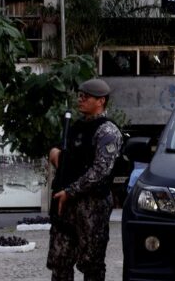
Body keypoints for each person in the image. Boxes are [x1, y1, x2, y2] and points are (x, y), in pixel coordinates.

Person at [47, 78, 124, 281]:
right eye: (80, 96)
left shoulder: (107, 131)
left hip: (91, 206)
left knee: (91, 264)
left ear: (101, 101)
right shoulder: (76, 128)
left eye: (86, 97)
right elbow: (64, 154)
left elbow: (100, 171)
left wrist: (71, 191)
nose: (80, 100)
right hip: (65, 206)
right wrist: (55, 152)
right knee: (60, 262)